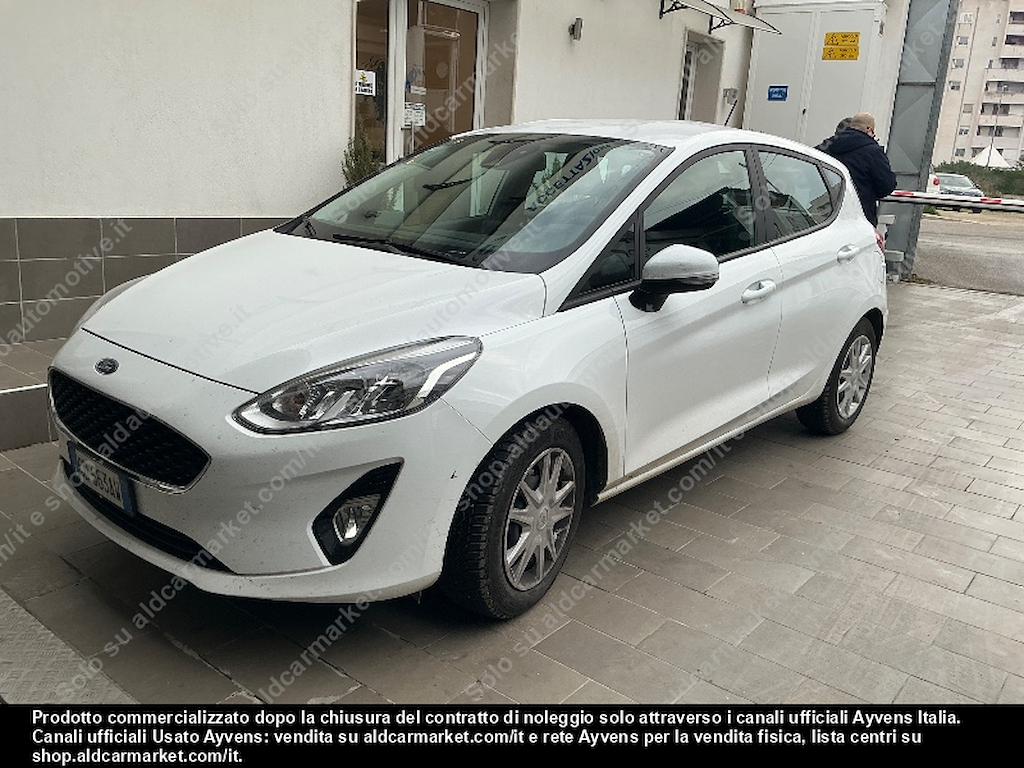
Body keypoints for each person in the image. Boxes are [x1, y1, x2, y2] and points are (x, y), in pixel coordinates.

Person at [820, 112, 897, 227]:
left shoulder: (827, 146)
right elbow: (887, 185)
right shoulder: (873, 152)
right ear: (868, 129)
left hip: (825, 214)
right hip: (859, 215)